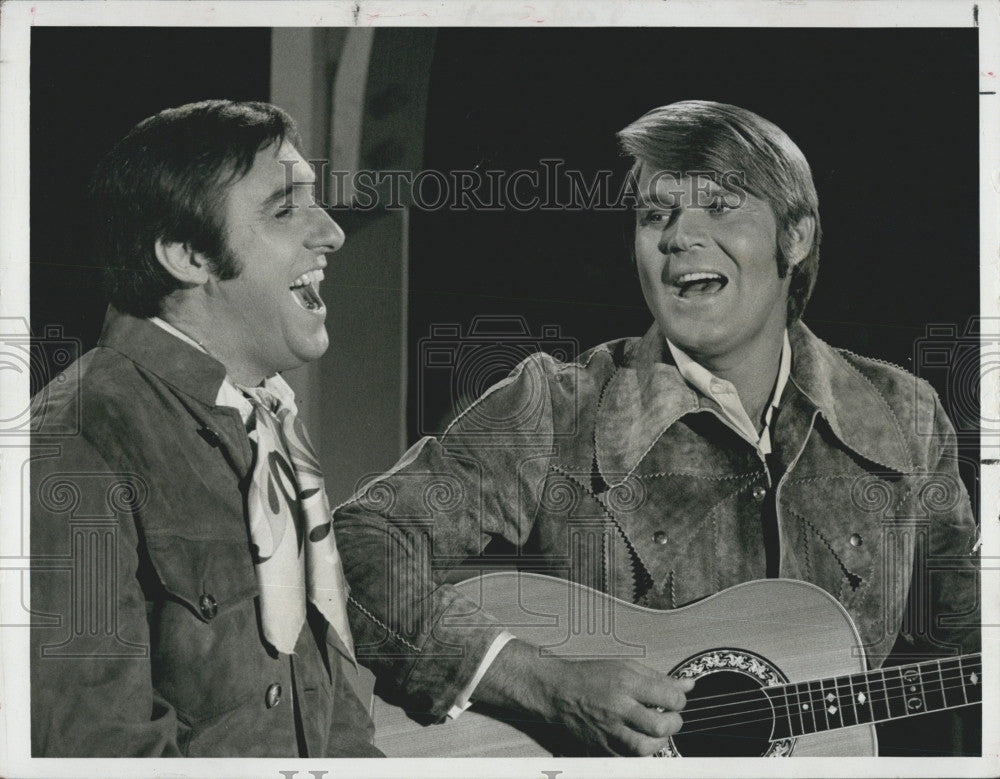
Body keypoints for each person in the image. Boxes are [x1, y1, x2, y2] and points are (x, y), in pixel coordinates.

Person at [333, 100, 980, 756]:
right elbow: (354, 549)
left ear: (797, 236)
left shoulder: (906, 417)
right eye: (654, 214)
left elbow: (970, 652)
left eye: (721, 206)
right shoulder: (554, 408)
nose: (677, 236)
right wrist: (543, 682)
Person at [30, 100, 381, 757]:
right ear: (188, 253)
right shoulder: (77, 440)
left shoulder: (269, 423)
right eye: (285, 209)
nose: (332, 232)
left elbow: (333, 720)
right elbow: (93, 754)